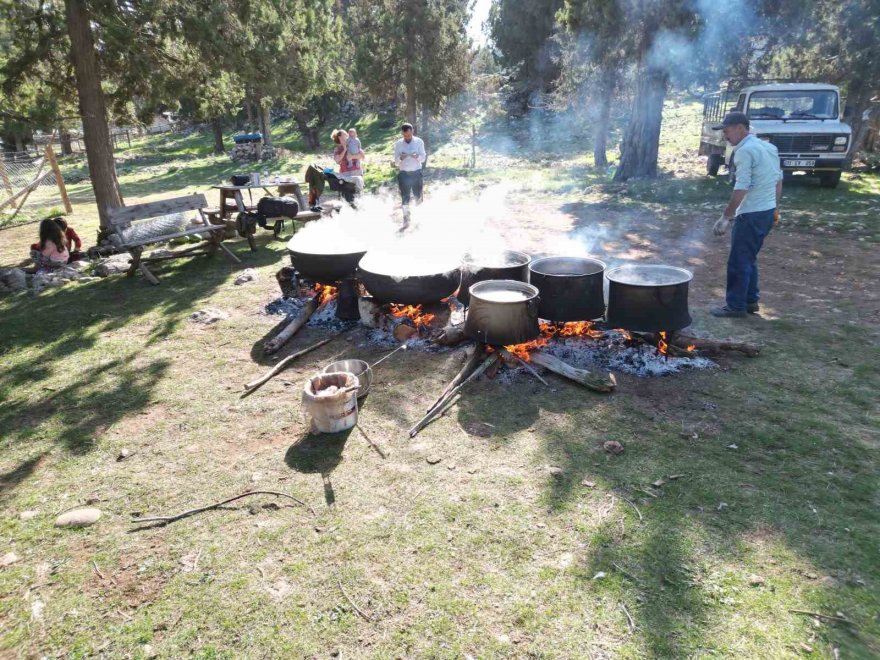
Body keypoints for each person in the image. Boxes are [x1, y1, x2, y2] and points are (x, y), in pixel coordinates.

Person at [711, 111, 782, 318]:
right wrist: (775, 208)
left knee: (739, 261)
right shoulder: (769, 148)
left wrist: (726, 217)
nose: (725, 136)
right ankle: (750, 300)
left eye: (727, 131)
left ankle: (735, 306)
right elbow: (778, 181)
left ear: (741, 128)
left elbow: (741, 188)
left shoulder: (745, 151)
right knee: (749, 258)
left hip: (751, 214)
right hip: (766, 212)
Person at [393, 123, 426, 206]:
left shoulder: (419, 142)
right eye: (405, 135)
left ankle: (420, 215)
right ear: (402, 133)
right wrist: (401, 158)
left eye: (409, 135)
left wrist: (417, 156)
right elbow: (396, 162)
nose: (407, 137)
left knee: (418, 196)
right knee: (404, 197)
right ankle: (406, 217)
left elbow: (423, 158)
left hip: (416, 173)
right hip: (404, 174)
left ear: (412, 131)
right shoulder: (398, 143)